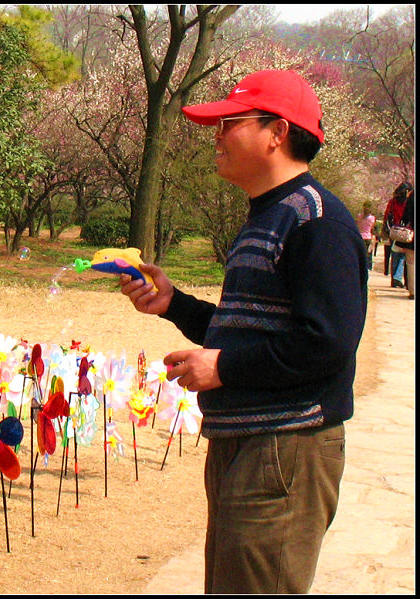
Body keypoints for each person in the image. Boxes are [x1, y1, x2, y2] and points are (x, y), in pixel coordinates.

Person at [119, 69, 367, 594]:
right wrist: (174, 305)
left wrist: (222, 367)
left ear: (276, 132)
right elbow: (249, 331)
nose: (216, 135)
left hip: (286, 448)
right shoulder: (266, 218)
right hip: (247, 445)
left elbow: (326, 343)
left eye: (230, 122)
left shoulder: (317, 221)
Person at [382, 182, 411, 288]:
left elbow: (387, 215)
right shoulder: (408, 202)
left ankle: (394, 279)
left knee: (395, 254)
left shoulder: (393, 201)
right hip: (405, 231)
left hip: (394, 230)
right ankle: (398, 278)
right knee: (404, 256)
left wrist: (385, 229)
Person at [388, 182, 414, 299]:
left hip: (407, 234)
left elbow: (405, 216)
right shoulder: (408, 198)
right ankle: (400, 279)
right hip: (409, 234)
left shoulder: (410, 198)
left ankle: (412, 290)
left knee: (409, 263)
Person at [356, 201, 377, 270]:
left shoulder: (359, 216)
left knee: (360, 253)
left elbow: (357, 225)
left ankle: (360, 266)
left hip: (360, 236)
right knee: (369, 253)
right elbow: (373, 229)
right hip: (368, 236)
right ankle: (368, 267)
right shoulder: (372, 218)